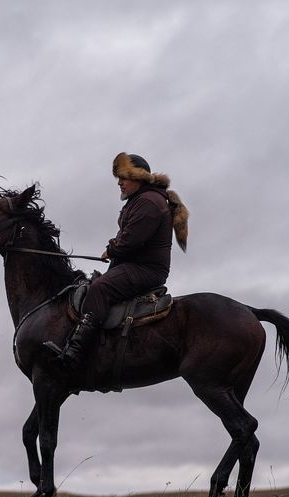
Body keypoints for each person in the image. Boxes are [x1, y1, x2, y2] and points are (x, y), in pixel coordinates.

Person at [52, 152, 189, 369]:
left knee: (99, 288)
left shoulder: (150, 201)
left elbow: (131, 241)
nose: (119, 183)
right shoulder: (142, 199)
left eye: (123, 177)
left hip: (146, 269)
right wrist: (115, 248)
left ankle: (76, 350)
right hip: (134, 265)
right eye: (118, 178)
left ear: (138, 177)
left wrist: (112, 248)